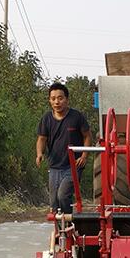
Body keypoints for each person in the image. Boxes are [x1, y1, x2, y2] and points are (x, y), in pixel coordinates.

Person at [36, 83, 92, 213]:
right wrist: (39, 153)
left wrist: (84, 155)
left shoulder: (77, 117)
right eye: (53, 98)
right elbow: (41, 139)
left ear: (67, 99)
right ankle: (59, 229)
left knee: (63, 195)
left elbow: (87, 136)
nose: (57, 102)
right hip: (54, 166)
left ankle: (68, 224)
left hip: (73, 166)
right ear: (50, 100)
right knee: (54, 203)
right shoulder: (46, 119)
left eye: (60, 98)